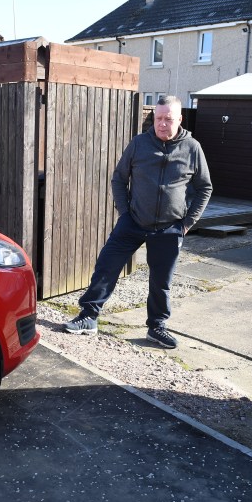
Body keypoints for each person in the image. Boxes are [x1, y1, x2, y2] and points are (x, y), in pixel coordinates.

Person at [64, 95, 212, 349]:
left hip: (169, 227)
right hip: (133, 222)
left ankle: (156, 327)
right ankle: (89, 316)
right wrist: (124, 212)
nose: (162, 124)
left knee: (161, 282)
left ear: (179, 119)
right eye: (158, 119)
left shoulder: (192, 148)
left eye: (168, 119)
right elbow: (119, 179)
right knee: (106, 267)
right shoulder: (139, 144)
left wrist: (187, 223)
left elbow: (204, 188)